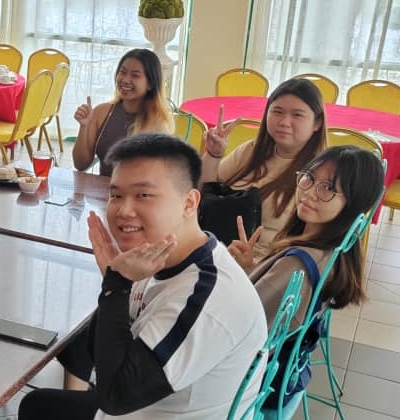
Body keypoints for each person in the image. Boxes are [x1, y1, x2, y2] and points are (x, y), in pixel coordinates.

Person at [21, 133, 267, 419]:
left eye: (143, 195)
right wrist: (114, 278)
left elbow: (115, 397)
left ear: (189, 203)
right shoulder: (157, 256)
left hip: (141, 407)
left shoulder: (209, 295)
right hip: (143, 405)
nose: (124, 210)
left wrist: (116, 284)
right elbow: (96, 353)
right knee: (37, 405)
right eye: (116, 195)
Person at [245, 146, 383, 326]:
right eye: (309, 177)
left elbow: (239, 319)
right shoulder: (332, 253)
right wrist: (249, 267)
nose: (309, 192)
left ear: (352, 203)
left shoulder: (297, 265)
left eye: (328, 187)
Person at [201, 78, 328, 264]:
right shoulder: (253, 150)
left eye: (297, 115)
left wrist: (251, 264)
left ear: (317, 123)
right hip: (216, 251)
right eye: (277, 111)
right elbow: (206, 188)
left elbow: (309, 250)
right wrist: (213, 154)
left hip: (262, 268)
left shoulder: (319, 175)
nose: (284, 122)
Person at [71, 48, 174, 176]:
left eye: (135, 75)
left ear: (150, 84)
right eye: (122, 72)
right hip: (104, 192)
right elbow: (80, 165)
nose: (125, 80)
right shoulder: (102, 112)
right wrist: (84, 127)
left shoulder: (159, 124)